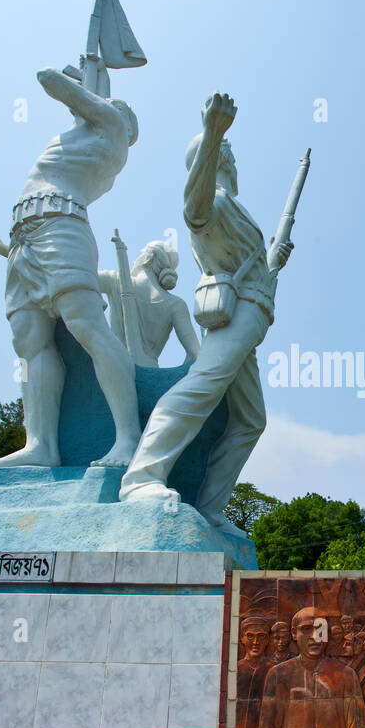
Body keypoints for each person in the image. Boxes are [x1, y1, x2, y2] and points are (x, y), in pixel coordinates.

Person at [118, 92, 292, 535]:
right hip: (236, 317)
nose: (231, 157)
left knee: (252, 420)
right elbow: (193, 212)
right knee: (198, 390)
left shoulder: (233, 206)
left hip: (251, 318)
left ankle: (211, 508)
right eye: (222, 152)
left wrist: (275, 262)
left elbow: (245, 263)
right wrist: (213, 133)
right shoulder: (211, 200)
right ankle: (141, 478)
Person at [0, 62, 141, 469]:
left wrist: (81, 80)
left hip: (62, 222)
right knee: (29, 341)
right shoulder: (78, 138)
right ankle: (41, 445)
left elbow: (47, 78)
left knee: (86, 325)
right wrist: (2, 248)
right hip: (24, 236)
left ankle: (129, 440)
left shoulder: (112, 127)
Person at [249, 608, 365, 728]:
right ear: (293, 633)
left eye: (320, 629)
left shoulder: (346, 675)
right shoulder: (279, 675)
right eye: (307, 630)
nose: (315, 636)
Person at [97, 237, 200, 368]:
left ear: (147, 258)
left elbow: (81, 278)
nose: (135, 261)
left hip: (112, 365)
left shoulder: (115, 280)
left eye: (140, 254)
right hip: (150, 369)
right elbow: (194, 354)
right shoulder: (175, 304)